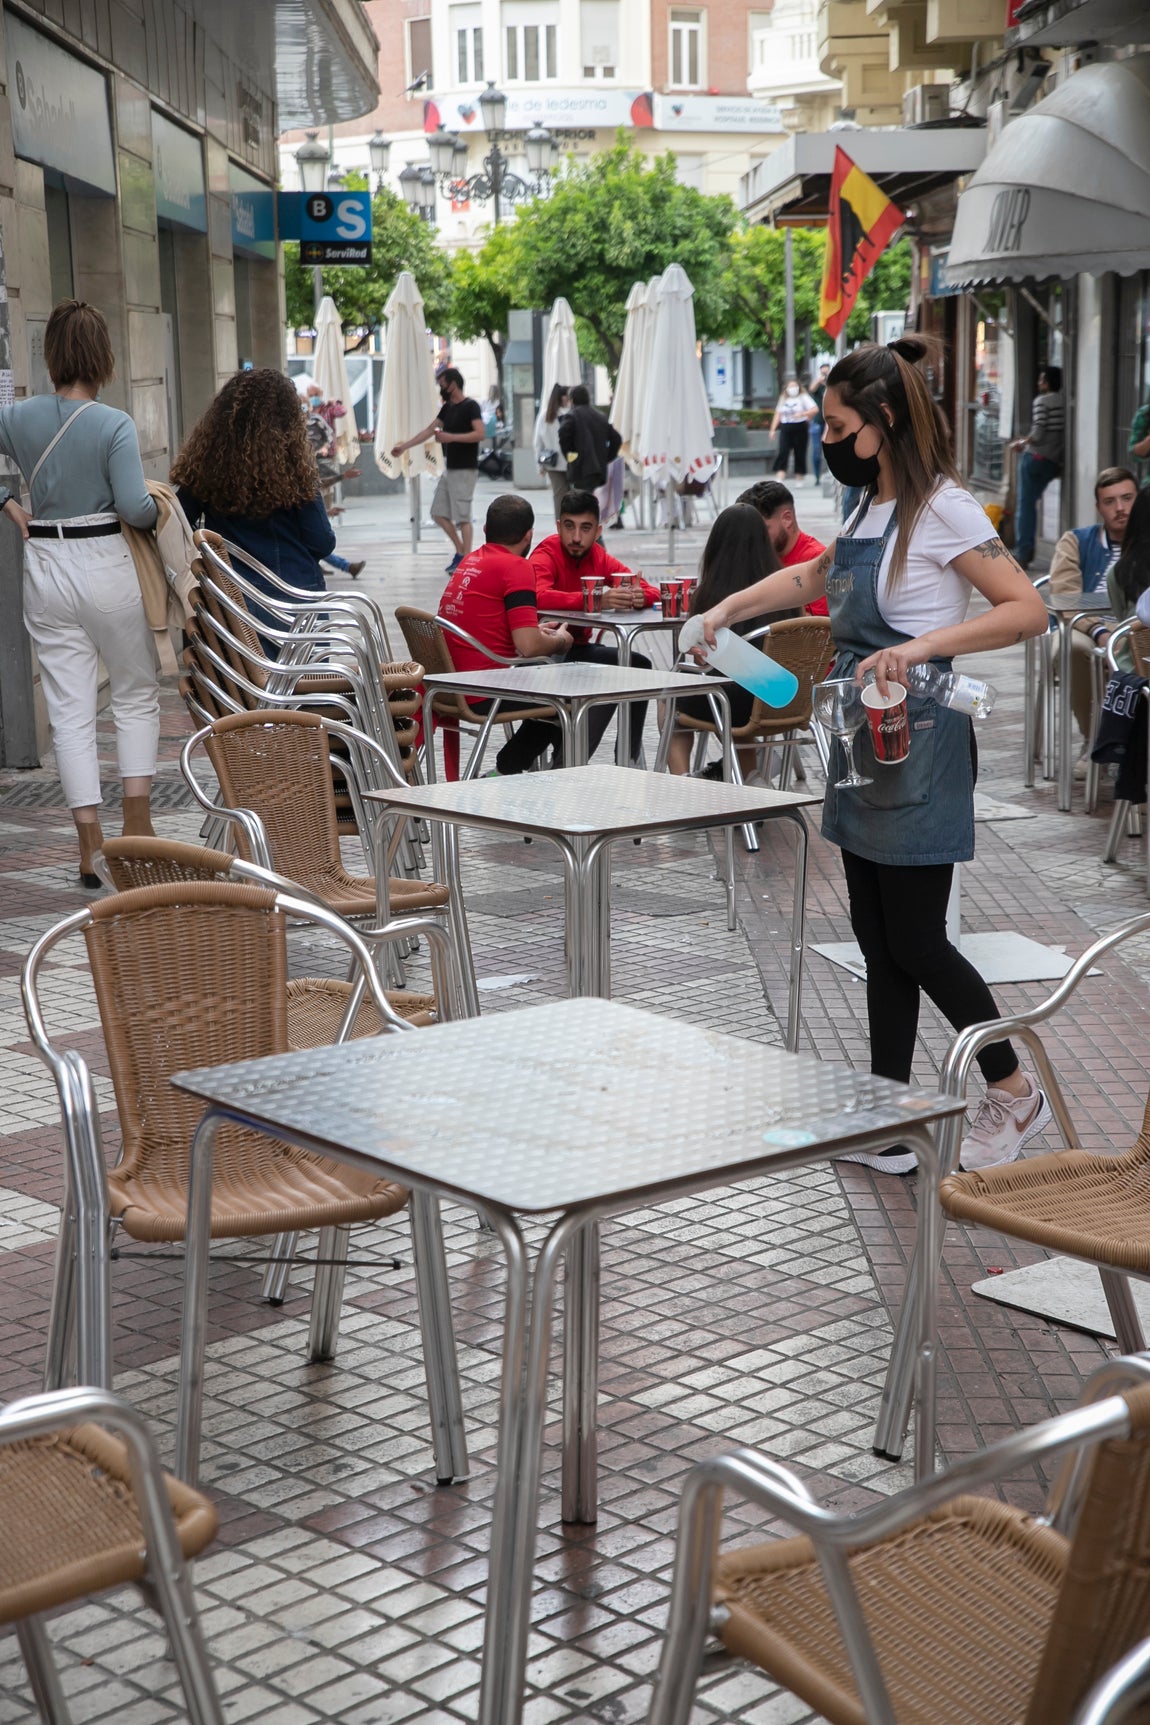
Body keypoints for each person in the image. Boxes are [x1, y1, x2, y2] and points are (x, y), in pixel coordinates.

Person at [695, 336, 1051, 1175]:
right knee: (874, 936)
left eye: (838, 425)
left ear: (882, 422)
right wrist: (730, 607)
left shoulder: (946, 508)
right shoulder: (868, 508)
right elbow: (813, 577)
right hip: (862, 739)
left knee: (919, 939)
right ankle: (889, 1117)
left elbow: (1025, 608)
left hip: (920, 744)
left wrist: (924, 644)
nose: (827, 439)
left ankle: (1014, 1089)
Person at [0, 299, 160, 886]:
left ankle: (89, 844)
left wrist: (9, 505)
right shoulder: (113, 423)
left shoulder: (17, 419)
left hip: (43, 560)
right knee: (135, 690)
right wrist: (161, 509)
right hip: (104, 560)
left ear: (51, 356)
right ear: (104, 357)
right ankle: (138, 827)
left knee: (68, 709)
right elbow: (134, 508)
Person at [172, 367, 336, 639]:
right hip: (295, 614)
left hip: (230, 610)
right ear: (288, 420)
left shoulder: (205, 468)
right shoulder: (295, 470)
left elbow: (178, 521)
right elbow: (322, 542)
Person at [438, 494, 574, 776]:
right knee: (566, 700)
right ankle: (509, 773)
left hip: (447, 685)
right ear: (529, 536)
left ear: (486, 532)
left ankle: (531, 779)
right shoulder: (517, 567)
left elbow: (489, 625)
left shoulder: (470, 561)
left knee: (548, 683)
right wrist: (560, 640)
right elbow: (528, 647)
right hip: (481, 691)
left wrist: (535, 631)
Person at [530, 489, 658, 764]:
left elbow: (651, 590)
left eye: (585, 528)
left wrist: (637, 596)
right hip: (544, 654)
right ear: (558, 526)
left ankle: (628, 758)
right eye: (569, 527)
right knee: (612, 675)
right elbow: (537, 595)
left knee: (638, 666)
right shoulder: (546, 552)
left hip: (577, 651)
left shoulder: (598, 556)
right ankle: (567, 764)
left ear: (598, 530)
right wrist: (595, 599)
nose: (576, 537)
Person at [667, 504, 794, 779]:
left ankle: (681, 782)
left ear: (716, 546)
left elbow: (702, 659)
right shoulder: (785, 593)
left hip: (731, 704)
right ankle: (751, 778)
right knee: (743, 691)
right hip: (785, 699)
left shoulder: (710, 598)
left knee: (669, 698)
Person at [1048, 466, 1138, 755]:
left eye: (1127, 498)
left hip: (1134, 631)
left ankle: (1134, 746)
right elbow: (1065, 600)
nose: (1120, 508)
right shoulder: (1075, 541)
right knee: (1072, 647)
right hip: (1084, 627)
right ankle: (1095, 740)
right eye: (1110, 501)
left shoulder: (1146, 545)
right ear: (1098, 507)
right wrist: (1099, 630)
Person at [390, 366, 484, 575]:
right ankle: (461, 551)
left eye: (443, 384)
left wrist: (452, 438)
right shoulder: (448, 407)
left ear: (453, 383)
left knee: (463, 516)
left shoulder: (471, 406)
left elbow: (479, 433)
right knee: (438, 512)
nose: (441, 388)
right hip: (450, 468)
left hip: (465, 469)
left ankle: (465, 558)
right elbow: (429, 430)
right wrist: (405, 446)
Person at [738, 479, 828, 617]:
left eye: (762, 529)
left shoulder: (816, 559)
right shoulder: (754, 555)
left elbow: (819, 628)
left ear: (787, 519)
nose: (754, 538)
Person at [1012, 364, 1064, 570]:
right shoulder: (1064, 401)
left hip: (1036, 458)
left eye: (1042, 379)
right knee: (1031, 504)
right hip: (1053, 461)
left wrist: (1021, 443)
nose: (1039, 383)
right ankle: (1027, 549)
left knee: (1025, 506)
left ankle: (1023, 552)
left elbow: (1038, 433)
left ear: (1048, 382)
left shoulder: (1042, 401)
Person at [559, 385, 621, 496]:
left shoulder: (572, 416)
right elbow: (617, 439)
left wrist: (571, 456)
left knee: (582, 501)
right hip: (599, 470)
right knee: (593, 501)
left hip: (581, 468)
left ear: (572, 400)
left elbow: (563, 434)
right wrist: (606, 457)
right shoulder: (600, 416)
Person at [534, 383, 571, 520]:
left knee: (559, 496)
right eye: (567, 396)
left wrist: (540, 465)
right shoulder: (568, 414)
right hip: (569, 461)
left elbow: (537, 442)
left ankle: (560, 524)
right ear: (562, 398)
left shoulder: (544, 415)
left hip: (551, 463)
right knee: (572, 496)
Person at [769, 376, 818, 482]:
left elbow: (814, 409)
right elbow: (778, 414)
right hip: (786, 426)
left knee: (799, 451)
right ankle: (780, 475)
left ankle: (799, 476)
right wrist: (772, 429)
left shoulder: (803, 397)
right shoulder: (783, 398)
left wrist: (803, 414)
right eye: (790, 386)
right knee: (783, 451)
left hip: (800, 426)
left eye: (795, 386)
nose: (793, 388)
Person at [810, 363, 831, 484]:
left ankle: (830, 473)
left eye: (826, 372)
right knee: (816, 451)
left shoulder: (831, 386)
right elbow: (811, 389)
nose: (825, 375)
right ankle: (817, 476)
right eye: (823, 372)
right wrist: (819, 380)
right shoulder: (818, 387)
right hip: (818, 421)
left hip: (829, 421)